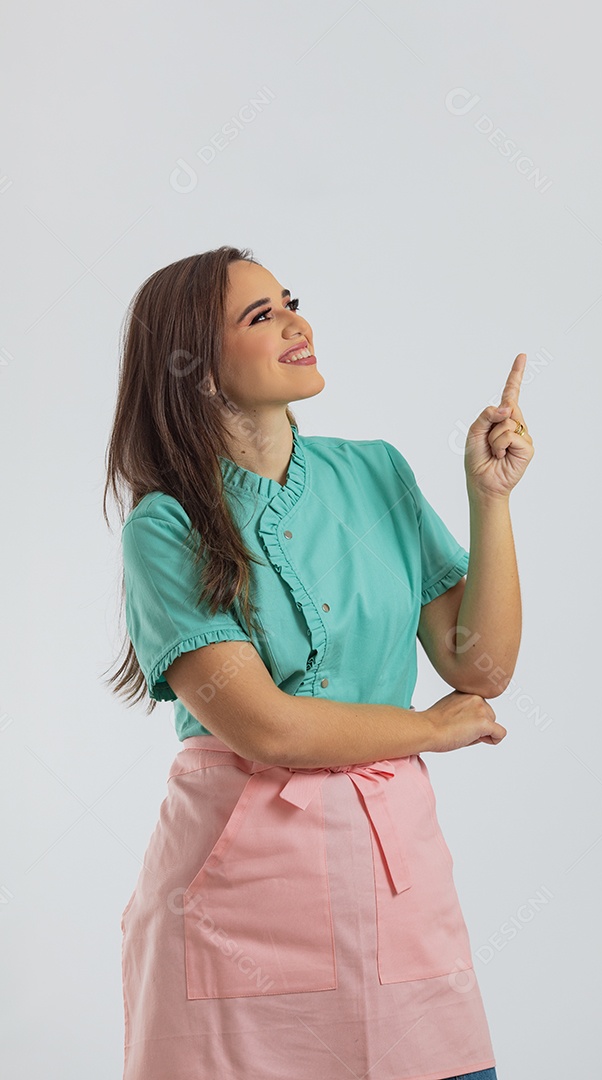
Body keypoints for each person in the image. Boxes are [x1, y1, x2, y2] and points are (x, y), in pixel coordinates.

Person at [102, 244, 534, 1080]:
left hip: (389, 869)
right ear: (195, 364)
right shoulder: (165, 528)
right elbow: (265, 726)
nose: (298, 324)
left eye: (290, 301)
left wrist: (491, 501)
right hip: (235, 895)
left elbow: (479, 667)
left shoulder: (376, 472)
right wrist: (426, 729)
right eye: (261, 316)